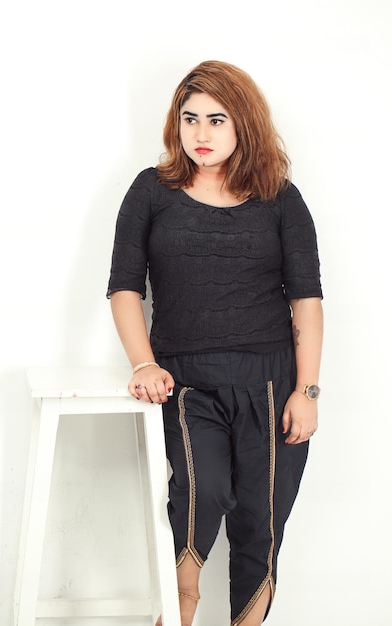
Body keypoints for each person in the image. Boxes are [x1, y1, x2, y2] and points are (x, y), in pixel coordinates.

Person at [106, 60, 323, 626]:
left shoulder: (281, 198)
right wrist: (143, 362)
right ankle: (175, 613)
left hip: (272, 383)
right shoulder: (151, 191)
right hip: (185, 381)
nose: (201, 135)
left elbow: (307, 300)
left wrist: (308, 390)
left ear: (242, 124)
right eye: (190, 119)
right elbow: (125, 288)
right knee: (199, 501)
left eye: (217, 120)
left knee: (261, 520)